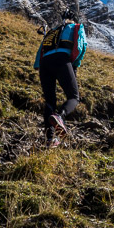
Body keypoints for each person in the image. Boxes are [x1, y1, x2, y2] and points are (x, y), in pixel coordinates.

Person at [34, 18, 87, 147]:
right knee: (74, 97)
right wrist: (74, 66)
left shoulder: (52, 32)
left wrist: (38, 66)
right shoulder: (76, 27)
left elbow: (41, 50)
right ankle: (60, 116)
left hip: (44, 63)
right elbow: (81, 46)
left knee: (50, 101)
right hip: (62, 59)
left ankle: (49, 140)